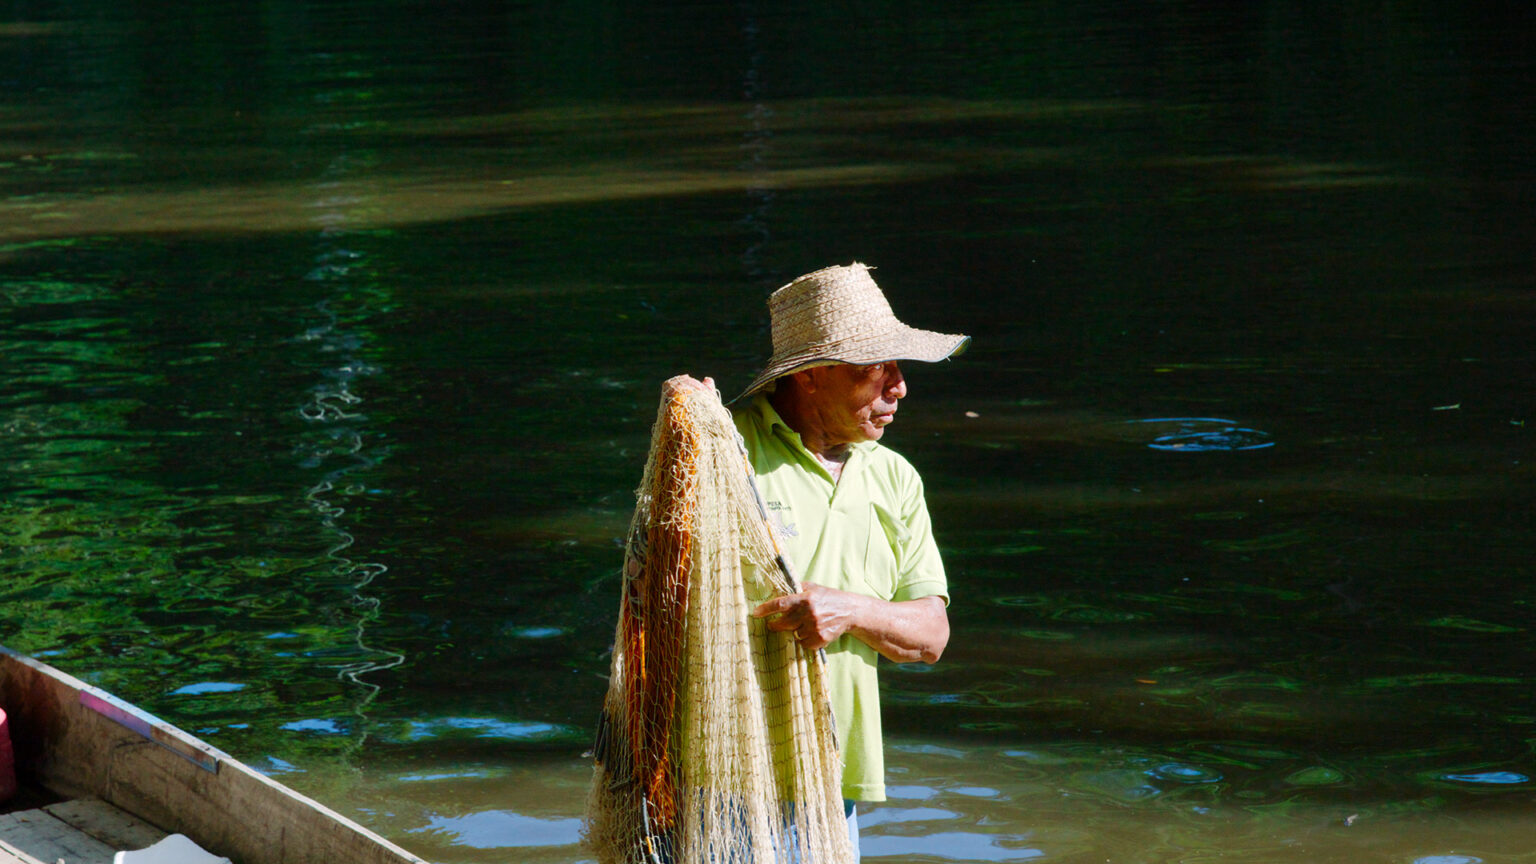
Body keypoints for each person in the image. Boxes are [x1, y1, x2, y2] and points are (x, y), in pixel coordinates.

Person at [688, 262, 969, 856]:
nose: (899, 387)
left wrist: (851, 611)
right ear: (813, 375)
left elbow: (930, 636)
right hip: (717, 779)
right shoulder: (723, 451)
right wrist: (689, 426)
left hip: (830, 788)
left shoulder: (894, 477)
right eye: (878, 369)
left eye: (899, 368)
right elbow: (658, 602)